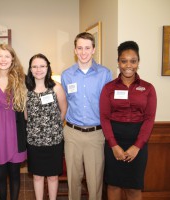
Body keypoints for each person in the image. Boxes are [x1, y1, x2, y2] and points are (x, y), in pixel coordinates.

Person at [100, 41, 157, 200]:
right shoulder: (108, 88)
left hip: (138, 141)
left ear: (138, 62)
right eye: (124, 61)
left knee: (134, 187)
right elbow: (104, 117)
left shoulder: (148, 88)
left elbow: (149, 119)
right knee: (113, 185)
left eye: (133, 61)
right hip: (114, 140)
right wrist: (113, 145)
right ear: (118, 62)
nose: (128, 65)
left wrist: (137, 147)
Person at [61, 32, 112, 200]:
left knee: (95, 181)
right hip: (72, 133)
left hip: (96, 134)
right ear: (75, 50)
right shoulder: (66, 75)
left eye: (87, 48)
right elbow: (64, 103)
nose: (83, 52)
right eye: (80, 48)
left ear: (94, 50)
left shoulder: (105, 74)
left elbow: (109, 105)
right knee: (73, 180)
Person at [0, 43, 27, 200]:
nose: (3, 59)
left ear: (12, 59)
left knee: (15, 174)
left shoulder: (22, 79)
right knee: (0, 175)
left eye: (7, 56)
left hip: (15, 133)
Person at [25, 53, 67, 200]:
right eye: (35, 66)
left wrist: (52, 126)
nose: (38, 69)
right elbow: (26, 115)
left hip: (54, 141)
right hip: (34, 141)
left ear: (48, 67)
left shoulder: (56, 87)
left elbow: (63, 111)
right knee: (37, 177)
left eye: (42, 66)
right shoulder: (26, 90)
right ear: (30, 69)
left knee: (53, 177)